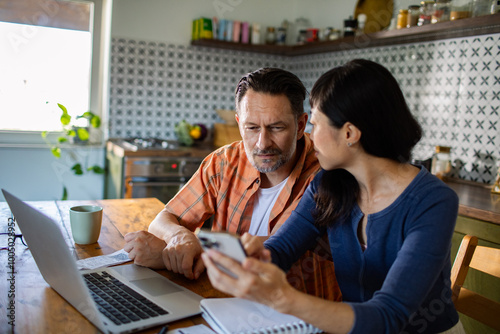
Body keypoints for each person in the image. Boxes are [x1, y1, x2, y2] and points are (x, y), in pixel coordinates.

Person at [201, 59, 465, 334]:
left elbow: (388, 316)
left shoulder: (433, 201)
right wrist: (255, 256)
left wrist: (284, 298)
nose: (310, 137)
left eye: (315, 125)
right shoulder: (328, 185)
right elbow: (282, 249)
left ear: (349, 133)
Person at [124, 67, 341, 301]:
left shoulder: (325, 176)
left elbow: (278, 249)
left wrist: (177, 253)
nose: (262, 143)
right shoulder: (224, 161)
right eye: (252, 127)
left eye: (276, 127)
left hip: (297, 317)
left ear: (300, 125)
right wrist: (180, 238)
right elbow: (165, 218)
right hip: (222, 303)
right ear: (239, 123)